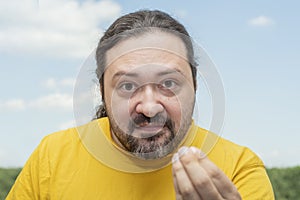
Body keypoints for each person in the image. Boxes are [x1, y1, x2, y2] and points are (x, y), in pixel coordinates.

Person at [7, 10, 274, 199]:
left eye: (169, 83)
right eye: (126, 86)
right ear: (103, 92)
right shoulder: (51, 157)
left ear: (194, 86)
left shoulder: (239, 168)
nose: (148, 108)